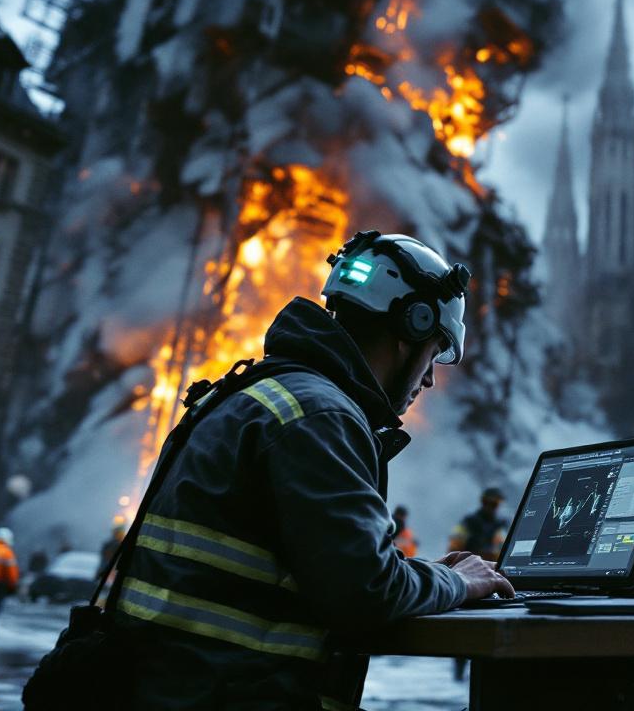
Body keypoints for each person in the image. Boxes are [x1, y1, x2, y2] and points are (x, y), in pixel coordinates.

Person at [110, 231, 513, 709]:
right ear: (413, 326)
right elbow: (367, 593)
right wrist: (459, 583)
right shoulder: (319, 417)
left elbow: (303, 566)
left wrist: (419, 572)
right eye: (434, 352)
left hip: (175, 687)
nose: (429, 377)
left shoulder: (258, 395)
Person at [449, 487, 508, 561]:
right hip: (466, 564)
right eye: (487, 502)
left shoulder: (501, 524)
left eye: (494, 504)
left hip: (490, 566)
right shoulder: (469, 521)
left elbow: (503, 550)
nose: (490, 507)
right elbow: (454, 546)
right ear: (483, 501)